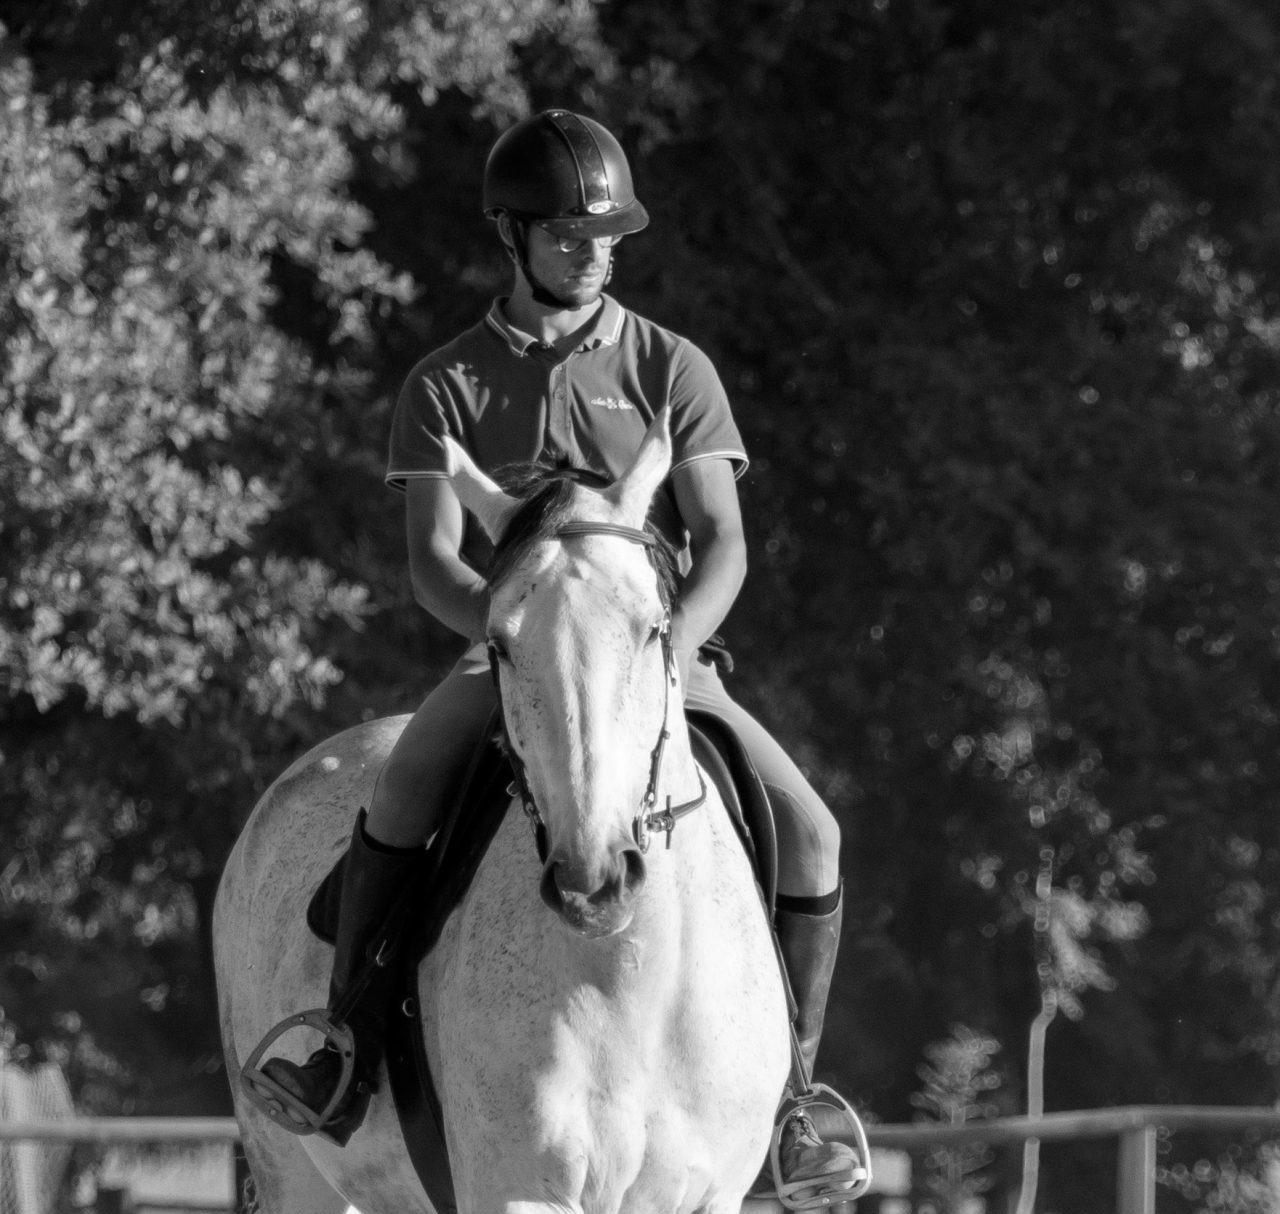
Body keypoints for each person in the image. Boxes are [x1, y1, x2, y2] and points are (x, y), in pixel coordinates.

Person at [249, 108, 861, 1201]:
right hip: (512, 652)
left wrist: (672, 651)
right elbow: (435, 560)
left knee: (809, 828)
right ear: (514, 236)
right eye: (572, 236)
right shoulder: (444, 384)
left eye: (608, 236)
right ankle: (339, 1045)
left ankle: (796, 1101)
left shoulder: (671, 366)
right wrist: (513, 634)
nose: (596, 251)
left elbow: (721, 542)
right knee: (397, 791)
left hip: (659, 662)